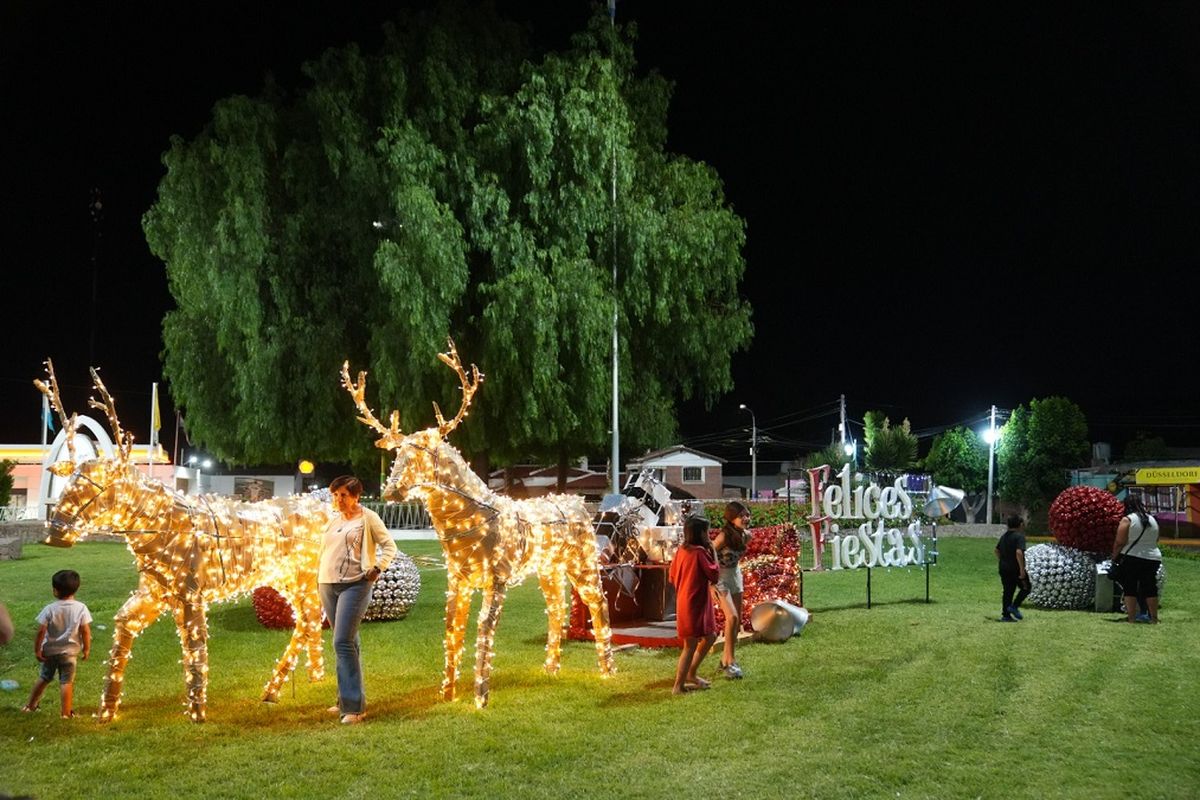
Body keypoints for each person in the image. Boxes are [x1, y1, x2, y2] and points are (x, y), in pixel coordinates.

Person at [318, 475, 396, 724]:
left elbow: (389, 546)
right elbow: (325, 552)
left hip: (356, 585)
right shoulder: (333, 520)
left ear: (356, 496)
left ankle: (354, 708)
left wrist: (377, 568)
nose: (338, 499)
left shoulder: (367, 518)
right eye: (335, 495)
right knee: (348, 641)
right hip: (328, 584)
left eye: (343, 495)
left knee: (342, 642)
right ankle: (346, 698)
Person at [23, 570, 92, 718]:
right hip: (70, 654)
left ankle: (30, 706)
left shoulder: (50, 609)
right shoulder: (81, 608)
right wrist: (86, 649)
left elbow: (41, 631)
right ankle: (66, 714)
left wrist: (37, 650)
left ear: (55, 590)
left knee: (44, 678)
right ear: (76, 589)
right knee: (66, 682)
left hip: (50, 652)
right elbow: (85, 631)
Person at [668, 515, 719, 694]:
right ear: (700, 533)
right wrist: (714, 552)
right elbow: (714, 575)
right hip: (694, 602)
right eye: (706, 530)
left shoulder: (682, 551)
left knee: (710, 636)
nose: (709, 534)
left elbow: (672, 576)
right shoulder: (699, 553)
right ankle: (678, 686)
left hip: (686, 600)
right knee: (690, 644)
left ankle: (691, 674)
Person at [713, 501, 750, 678]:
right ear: (731, 518)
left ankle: (725, 660)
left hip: (735, 576)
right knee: (732, 617)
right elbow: (708, 554)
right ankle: (731, 662)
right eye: (741, 516)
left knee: (736, 622)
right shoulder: (723, 537)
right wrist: (710, 581)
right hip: (720, 579)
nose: (745, 518)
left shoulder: (746, 535)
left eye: (747, 515)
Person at [1112, 495, 1162, 623]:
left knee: (1130, 587)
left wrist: (1114, 557)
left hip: (1132, 557)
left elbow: (1120, 542)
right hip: (1153, 557)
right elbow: (1156, 539)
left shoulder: (1127, 520)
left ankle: (1132, 618)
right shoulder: (1152, 519)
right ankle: (1154, 618)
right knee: (1150, 587)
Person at [995, 516, 1030, 622]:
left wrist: (1004, 560)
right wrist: (1022, 569)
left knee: (1008, 591)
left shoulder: (1004, 536)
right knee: (1026, 587)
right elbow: (1019, 552)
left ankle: (1006, 615)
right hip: (1015, 568)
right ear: (1020, 525)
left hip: (1004, 568)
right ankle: (1014, 606)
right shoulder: (1019, 537)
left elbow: (996, 550)